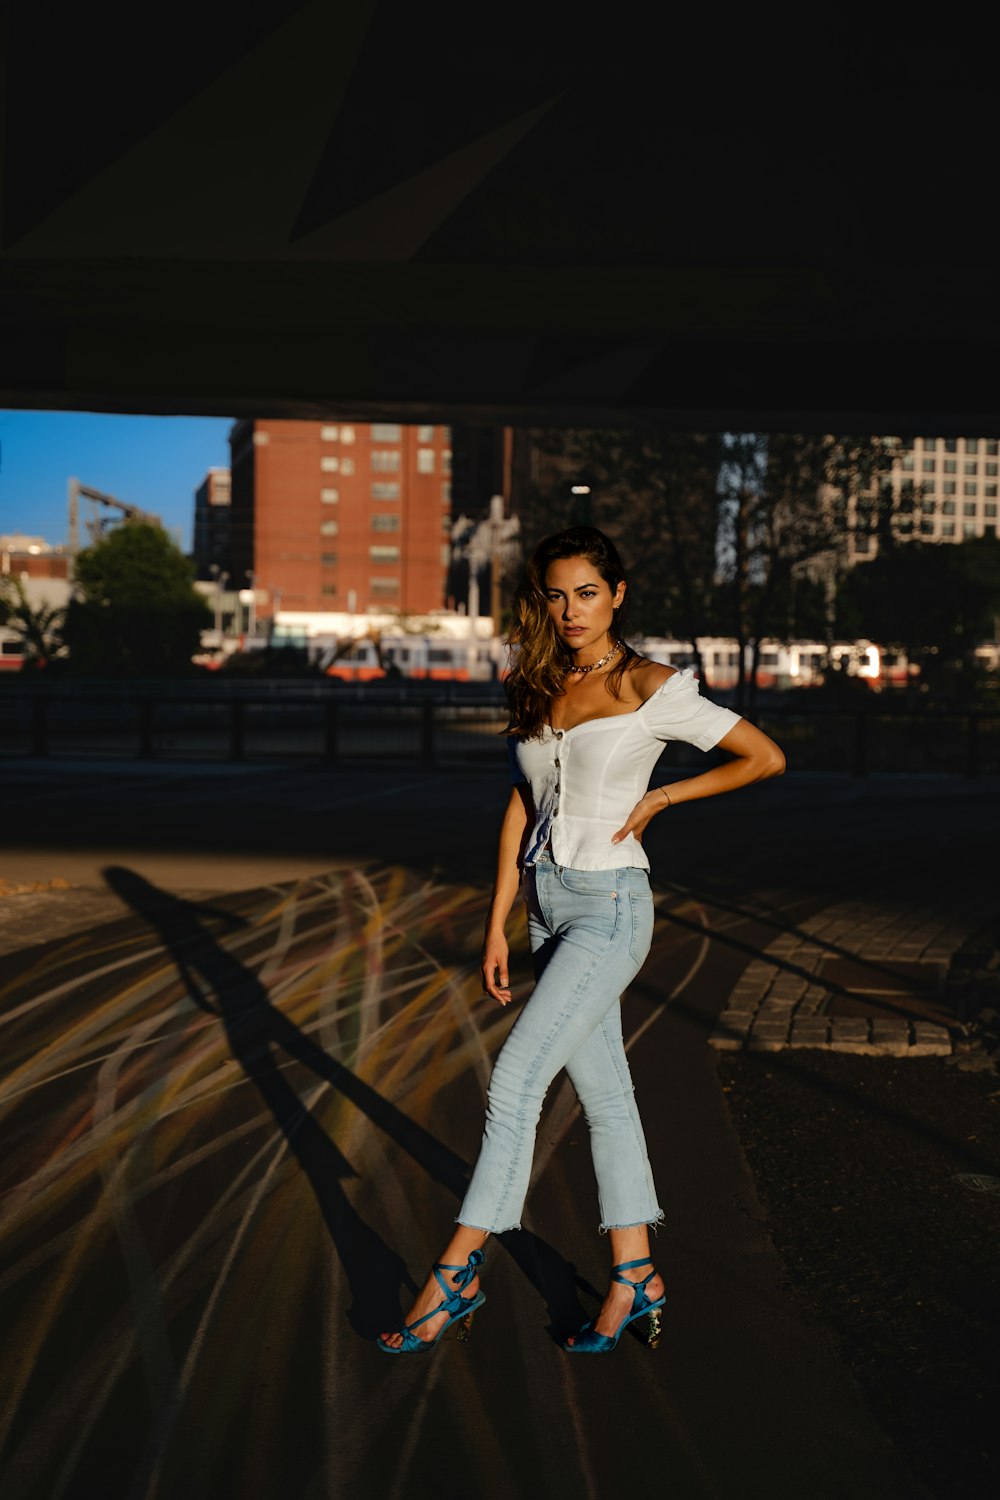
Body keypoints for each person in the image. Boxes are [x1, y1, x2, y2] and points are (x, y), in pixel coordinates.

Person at [379, 526, 785, 1355]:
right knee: (606, 1095)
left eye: (587, 592)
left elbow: (763, 757)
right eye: (556, 594)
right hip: (545, 907)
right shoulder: (539, 681)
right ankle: (636, 1273)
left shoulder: (651, 685)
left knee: (517, 1078)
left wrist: (664, 800)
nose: (570, 610)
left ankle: (455, 1272)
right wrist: (496, 918)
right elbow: (521, 806)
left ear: (618, 594)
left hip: (611, 907)